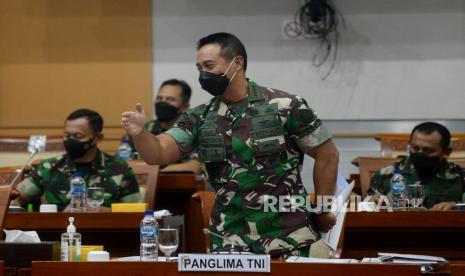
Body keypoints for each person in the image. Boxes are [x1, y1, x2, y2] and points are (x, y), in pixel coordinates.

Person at [122, 32, 339, 258]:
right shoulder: (199, 118)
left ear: (237, 63)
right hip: (230, 243)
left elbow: (328, 155)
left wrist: (323, 209)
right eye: (199, 69)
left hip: (290, 238)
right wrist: (140, 133)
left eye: (209, 65)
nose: (203, 74)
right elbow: (157, 153)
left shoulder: (285, 106)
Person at [16, 109, 142, 211]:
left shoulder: (119, 168)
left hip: (103, 234)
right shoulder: (49, 167)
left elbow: (136, 211)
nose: (70, 140)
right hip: (57, 234)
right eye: (67, 135)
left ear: (97, 138)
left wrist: (100, 211)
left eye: (78, 136)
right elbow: (16, 197)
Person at [367, 122, 465, 210]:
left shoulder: (460, 176)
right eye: (415, 148)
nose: (420, 153)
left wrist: (457, 207)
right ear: (409, 145)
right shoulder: (387, 174)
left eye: (428, 150)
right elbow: (368, 205)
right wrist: (371, 202)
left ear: (446, 152)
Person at [128, 79, 201, 174]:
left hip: (183, 185)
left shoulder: (194, 130)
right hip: (144, 185)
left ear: (185, 106)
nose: (163, 103)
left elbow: (196, 166)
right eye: (159, 98)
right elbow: (124, 162)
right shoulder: (142, 129)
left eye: (170, 99)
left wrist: (153, 173)